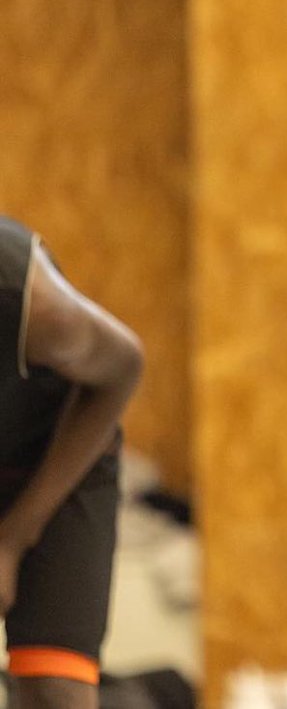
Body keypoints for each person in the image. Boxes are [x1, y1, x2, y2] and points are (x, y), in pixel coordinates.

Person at [1, 217, 144, 709]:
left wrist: (11, 540)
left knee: (55, 691)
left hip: (56, 454)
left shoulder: (34, 306)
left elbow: (124, 368)